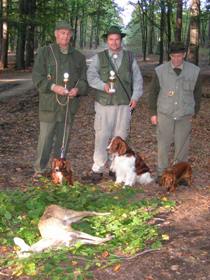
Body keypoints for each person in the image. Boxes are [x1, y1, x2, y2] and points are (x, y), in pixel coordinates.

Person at [82, 25, 143, 183]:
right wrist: (102, 85)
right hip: (104, 104)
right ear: (107, 41)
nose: (114, 42)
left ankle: (115, 168)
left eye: (117, 39)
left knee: (120, 138)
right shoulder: (99, 57)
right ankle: (98, 168)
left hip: (124, 104)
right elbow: (91, 75)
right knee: (101, 136)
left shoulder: (130, 57)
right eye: (111, 39)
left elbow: (137, 79)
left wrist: (135, 96)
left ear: (121, 40)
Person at [32, 20, 88, 177]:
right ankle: (40, 170)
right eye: (62, 33)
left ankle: (57, 171)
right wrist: (53, 87)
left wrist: (78, 89)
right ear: (56, 34)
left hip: (68, 106)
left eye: (68, 33)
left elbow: (84, 80)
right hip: (49, 105)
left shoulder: (78, 57)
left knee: (63, 141)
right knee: (45, 139)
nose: (65, 36)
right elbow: (37, 77)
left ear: (71, 36)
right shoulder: (44, 52)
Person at [148, 41, 202, 184]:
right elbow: (153, 92)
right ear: (170, 56)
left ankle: (181, 174)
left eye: (179, 56)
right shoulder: (160, 71)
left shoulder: (194, 71)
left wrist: (194, 113)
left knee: (182, 145)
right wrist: (153, 113)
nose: (177, 59)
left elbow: (197, 94)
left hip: (185, 114)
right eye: (174, 56)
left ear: (184, 55)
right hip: (165, 112)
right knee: (163, 144)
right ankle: (162, 173)